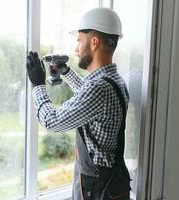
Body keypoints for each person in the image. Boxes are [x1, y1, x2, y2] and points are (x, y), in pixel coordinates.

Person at [26, 8, 131, 200]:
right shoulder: (114, 80)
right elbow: (89, 99)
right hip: (111, 183)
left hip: (96, 187)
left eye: (79, 41)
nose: (76, 49)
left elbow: (52, 121)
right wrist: (65, 71)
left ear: (94, 42)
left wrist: (38, 84)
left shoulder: (99, 88)